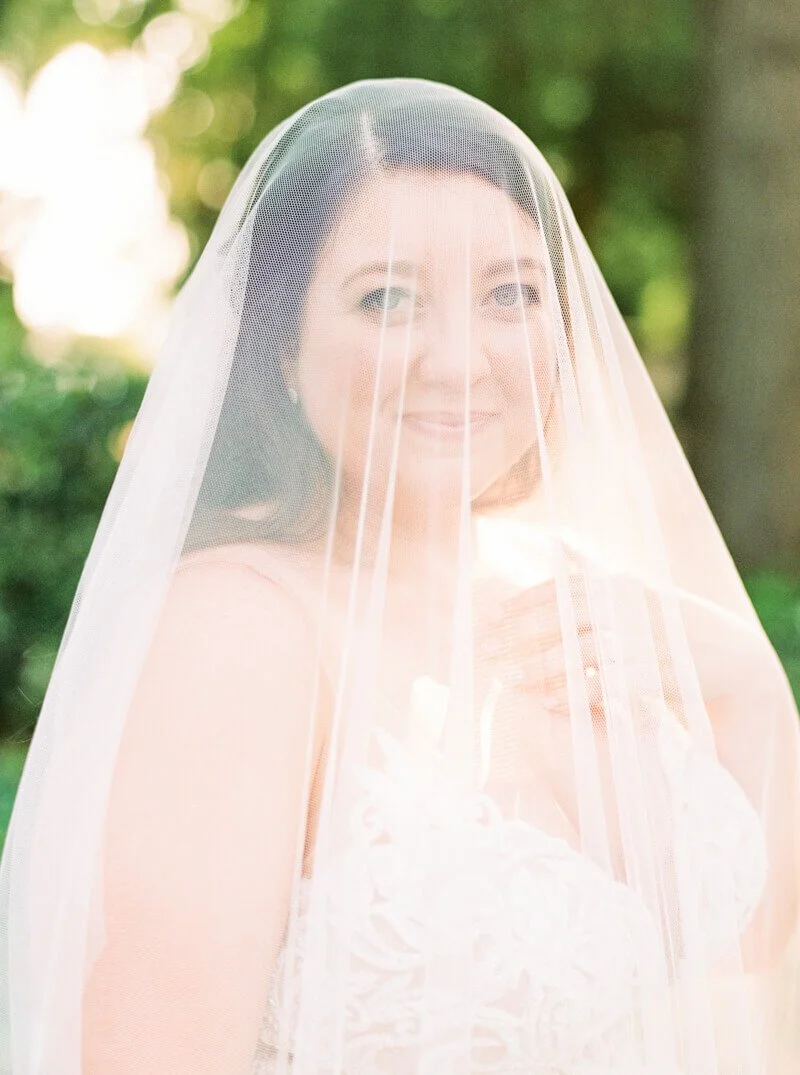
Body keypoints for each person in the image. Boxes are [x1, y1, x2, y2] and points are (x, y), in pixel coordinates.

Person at [1, 77, 799, 1075]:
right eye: (387, 298)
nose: (459, 361)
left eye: (510, 293)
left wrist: (751, 691)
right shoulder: (235, 630)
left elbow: (733, 959)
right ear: (280, 347)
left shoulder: (569, 587)